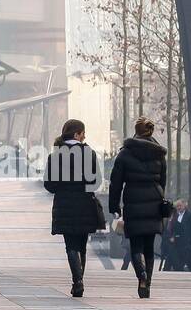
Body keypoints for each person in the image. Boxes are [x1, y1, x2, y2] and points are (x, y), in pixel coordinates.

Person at [43, 118, 105, 297]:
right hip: (85, 204)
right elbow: (96, 181)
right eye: (83, 133)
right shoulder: (89, 154)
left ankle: (77, 281)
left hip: (64, 205)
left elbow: (49, 184)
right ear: (77, 134)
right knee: (82, 244)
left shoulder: (55, 155)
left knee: (70, 244)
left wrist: (62, 189)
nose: (85, 136)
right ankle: (79, 280)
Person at [108, 118, 168, 299]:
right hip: (154, 203)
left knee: (136, 246)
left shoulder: (125, 154)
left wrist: (114, 206)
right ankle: (147, 283)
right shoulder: (159, 154)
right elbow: (163, 180)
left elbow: (115, 183)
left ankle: (141, 275)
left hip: (133, 203)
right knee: (149, 247)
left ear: (136, 131)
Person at [165, 199, 191, 271]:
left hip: (187, 241)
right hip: (177, 242)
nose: (178, 207)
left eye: (180, 205)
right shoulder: (175, 216)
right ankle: (177, 270)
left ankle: (188, 271)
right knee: (184, 260)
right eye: (177, 206)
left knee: (188, 260)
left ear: (185, 205)